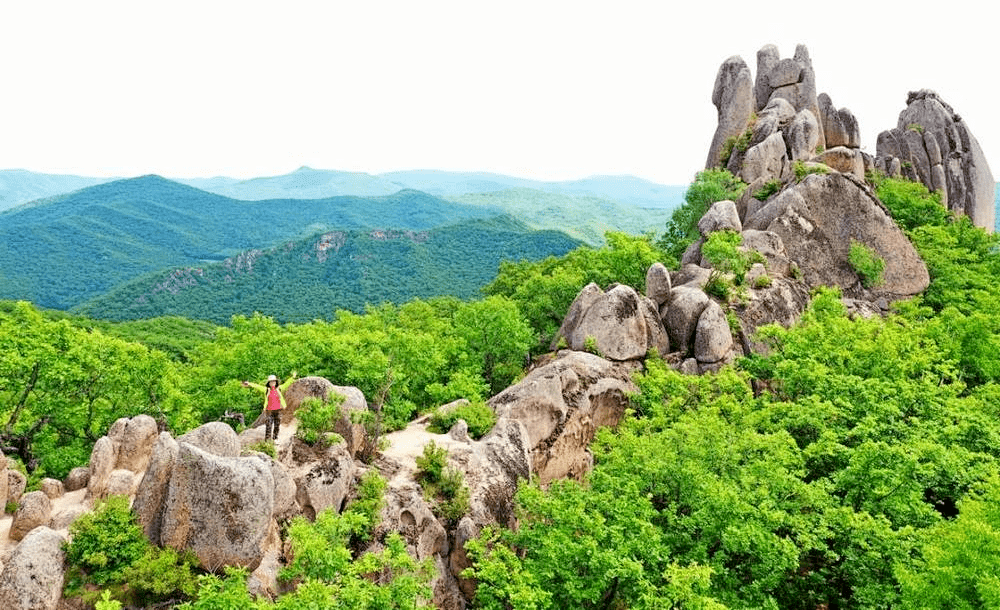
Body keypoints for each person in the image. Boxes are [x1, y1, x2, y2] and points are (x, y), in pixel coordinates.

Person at [242, 372, 296, 441]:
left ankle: (275, 438)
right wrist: (249, 384)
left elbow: (287, 384)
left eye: (274, 381)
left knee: (277, 424)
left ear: (276, 382)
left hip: (278, 409)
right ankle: (267, 440)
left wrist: (293, 377)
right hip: (269, 410)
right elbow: (258, 386)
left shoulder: (279, 388)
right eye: (271, 382)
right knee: (269, 425)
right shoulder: (266, 390)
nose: (272, 383)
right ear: (269, 383)